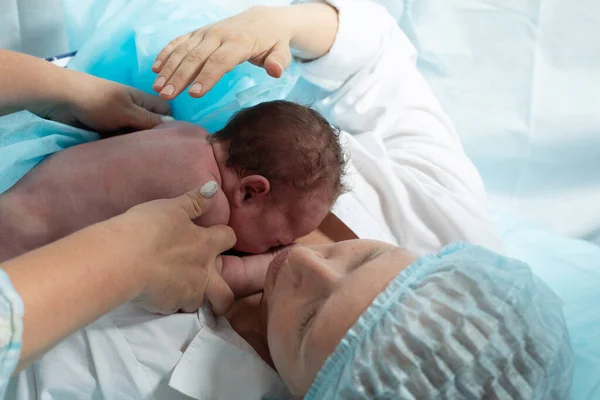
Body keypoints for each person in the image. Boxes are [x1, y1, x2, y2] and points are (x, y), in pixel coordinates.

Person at [6, 1, 571, 399]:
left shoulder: (108, 383)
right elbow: (375, 58)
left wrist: (116, 262)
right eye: (365, 258)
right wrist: (283, 22)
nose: (296, 259)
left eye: (305, 325)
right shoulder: (447, 225)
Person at [0, 100, 345, 259]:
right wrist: (268, 267)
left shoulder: (186, 131)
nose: (284, 247)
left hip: (15, 180)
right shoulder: (207, 205)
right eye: (277, 241)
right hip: (17, 250)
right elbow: (203, 277)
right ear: (250, 192)